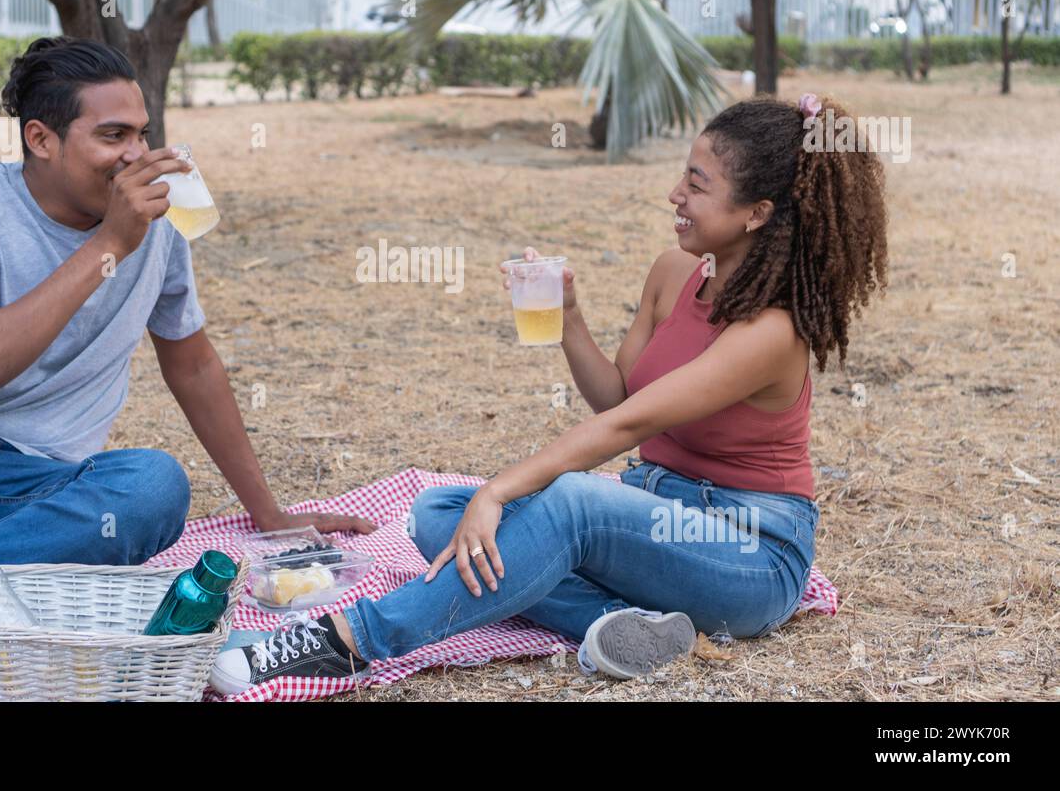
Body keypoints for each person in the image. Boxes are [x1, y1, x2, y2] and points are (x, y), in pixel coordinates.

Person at [0, 36, 372, 702]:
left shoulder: (158, 228)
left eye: (142, 134)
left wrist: (270, 511)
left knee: (153, 485)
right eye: (113, 135)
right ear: (41, 139)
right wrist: (109, 243)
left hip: (43, 509)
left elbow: (192, 364)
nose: (136, 154)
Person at [210, 92, 888, 693]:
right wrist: (569, 321)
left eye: (696, 183)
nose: (674, 195)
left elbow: (625, 431)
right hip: (655, 514)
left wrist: (499, 490)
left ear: (755, 213)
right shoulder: (674, 272)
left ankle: (347, 642)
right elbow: (617, 400)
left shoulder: (772, 332)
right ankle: (623, 628)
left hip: (748, 555)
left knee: (557, 506)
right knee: (438, 515)